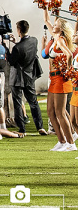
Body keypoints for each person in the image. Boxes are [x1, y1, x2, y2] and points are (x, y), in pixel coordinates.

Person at [43, 9, 75, 151]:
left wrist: (68, 69)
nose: (53, 25)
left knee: (60, 112)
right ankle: (61, 141)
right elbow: (46, 20)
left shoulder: (60, 39)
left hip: (61, 78)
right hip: (53, 78)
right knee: (50, 111)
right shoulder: (55, 36)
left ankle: (71, 143)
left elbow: (69, 55)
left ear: (61, 29)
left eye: (56, 24)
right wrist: (45, 7)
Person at [8, 20, 46, 135]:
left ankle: (22, 129)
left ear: (19, 30)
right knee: (33, 102)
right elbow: (25, 52)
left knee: (18, 103)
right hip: (29, 76)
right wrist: (17, 43)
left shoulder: (17, 48)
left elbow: (11, 61)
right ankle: (40, 127)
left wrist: (7, 49)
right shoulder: (34, 41)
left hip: (17, 78)